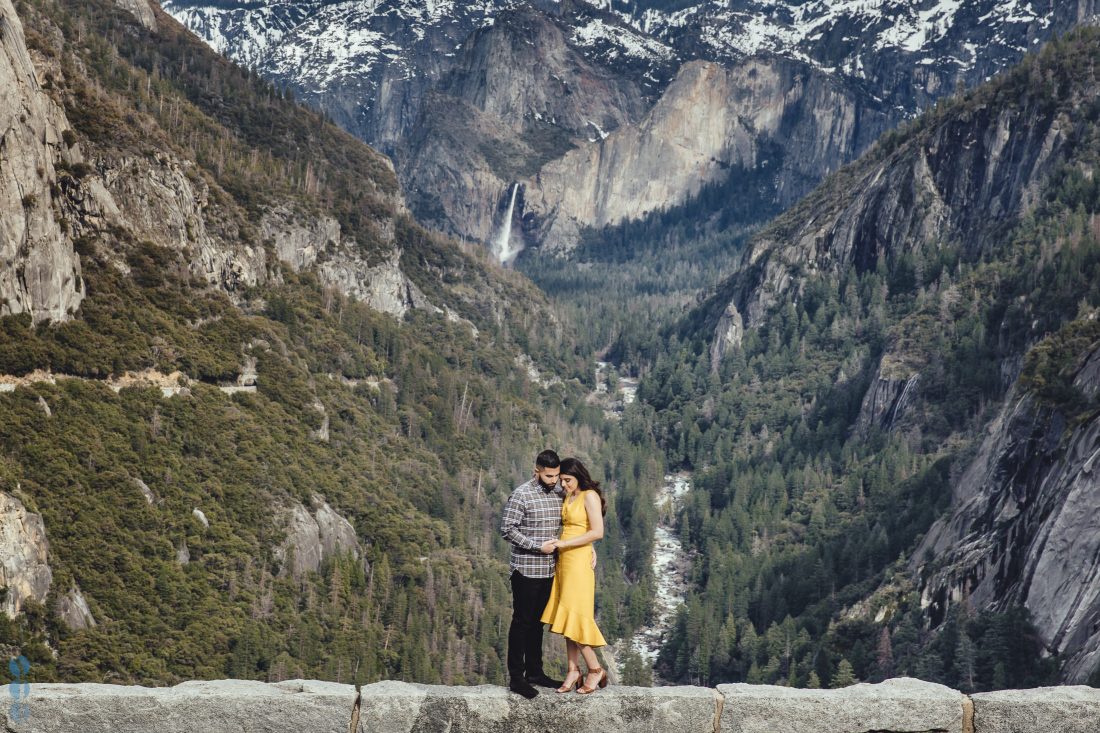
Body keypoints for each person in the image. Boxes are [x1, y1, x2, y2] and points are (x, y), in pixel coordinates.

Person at [499, 449, 567, 699]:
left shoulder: (560, 492)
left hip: (549, 570)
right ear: (536, 471)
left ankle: (535, 672)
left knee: (538, 623)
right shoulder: (521, 495)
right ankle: (517, 678)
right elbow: (507, 530)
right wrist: (536, 546)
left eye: (557, 475)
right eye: (549, 476)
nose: (554, 480)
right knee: (521, 623)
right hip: (526, 570)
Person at [540, 457, 608, 694]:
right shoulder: (570, 495)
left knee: (576, 617)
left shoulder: (590, 495)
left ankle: (595, 668)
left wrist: (567, 544)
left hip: (578, 561)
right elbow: (581, 528)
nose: (564, 485)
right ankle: (573, 670)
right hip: (565, 560)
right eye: (562, 480)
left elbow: (597, 531)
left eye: (567, 480)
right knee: (567, 617)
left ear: (578, 475)